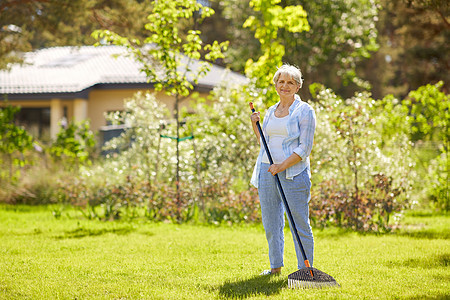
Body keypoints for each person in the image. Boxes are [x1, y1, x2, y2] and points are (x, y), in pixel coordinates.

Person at [250, 64, 316, 276]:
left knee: (299, 225)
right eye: (281, 82)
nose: (285, 86)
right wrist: (255, 125)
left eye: (290, 82)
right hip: (267, 172)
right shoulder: (270, 111)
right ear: (276, 85)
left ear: (297, 86)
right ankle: (275, 267)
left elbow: (304, 148)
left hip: (293, 174)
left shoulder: (305, 111)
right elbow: (265, 143)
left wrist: (281, 166)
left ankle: (305, 271)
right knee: (271, 224)